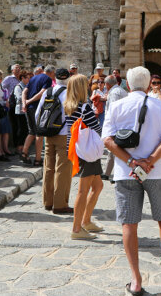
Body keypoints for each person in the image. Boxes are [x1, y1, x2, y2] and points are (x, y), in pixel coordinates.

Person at [102, 66, 161, 296]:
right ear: (150, 84)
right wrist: (149, 161)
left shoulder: (117, 105)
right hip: (157, 171)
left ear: (127, 85)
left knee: (129, 224)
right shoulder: (160, 106)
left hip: (125, 172)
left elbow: (108, 140)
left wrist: (132, 162)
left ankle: (136, 280)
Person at [63, 73, 105, 238]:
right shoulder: (84, 107)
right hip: (87, 153)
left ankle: (86, 221)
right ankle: (77, 228)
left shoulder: (69, 106)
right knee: (83, 190)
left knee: (98, 186)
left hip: (78, 149)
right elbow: (96, 128)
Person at [35, 69, 74, 214]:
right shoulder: (70, 93)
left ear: (55, 79)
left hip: (48, 133)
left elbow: (38, 113)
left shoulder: (48, 92)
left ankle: (47, 201)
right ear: (68, 79)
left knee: (49, 167)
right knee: (62, 169)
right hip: (64, 134)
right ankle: (59, 204)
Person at [22, 65, 55, 166]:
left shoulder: (33, 78)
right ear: (52, 72)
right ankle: (37, 159)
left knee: (32, 131)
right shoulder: (48, 79)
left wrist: (25, 103)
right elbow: (42, 93)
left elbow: (24, 91)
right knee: (39, 133)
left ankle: (24, 152)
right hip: (37, 108)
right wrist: (29, 101)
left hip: (29, 108)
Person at [102, 75, 129, 180]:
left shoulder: (114, 93)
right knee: (113, 150)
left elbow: (113, 110)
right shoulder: (120, 90)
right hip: (122, 123)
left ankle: (116, 175)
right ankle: (107, 173)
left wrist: (111, 126)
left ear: (107, 84)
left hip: (117, 125)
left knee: (115, 149)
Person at [2, 64, 22, 154]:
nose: (18, 70)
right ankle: (15, 144)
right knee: (14, 124)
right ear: (12, 70)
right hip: (11, 104)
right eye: (16, 69)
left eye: (19, 69)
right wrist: (6, 100)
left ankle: (20, 144)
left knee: (20, 124)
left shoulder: (21, 79)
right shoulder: (9, 79)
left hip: (20, 104)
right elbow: (2, 88)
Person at [12, 69, 31, 155]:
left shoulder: (27, 86)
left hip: (25, 111)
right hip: (20, 111)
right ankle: (18, 146)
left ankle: (22, 146)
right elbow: (19, 98)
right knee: (21, 129)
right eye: (27, 78)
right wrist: (28, 98)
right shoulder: (18, 87)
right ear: (22, 78)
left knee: (25, 129)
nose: (29, 80)